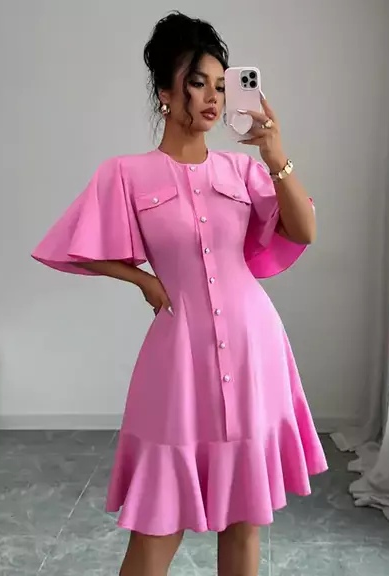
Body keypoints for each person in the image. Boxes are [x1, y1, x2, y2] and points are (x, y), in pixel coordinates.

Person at [32, 11, 327, 576]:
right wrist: (143, 279)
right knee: (155, 531)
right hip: (179, 363)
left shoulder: (244, 172)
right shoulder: (125, 174)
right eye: (197, 83)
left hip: (253, 349)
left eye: (220, 85)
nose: (213, 98)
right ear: (165, 93)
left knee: (244, 524)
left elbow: (305, 230)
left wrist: (275, 155)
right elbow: (76, 245)